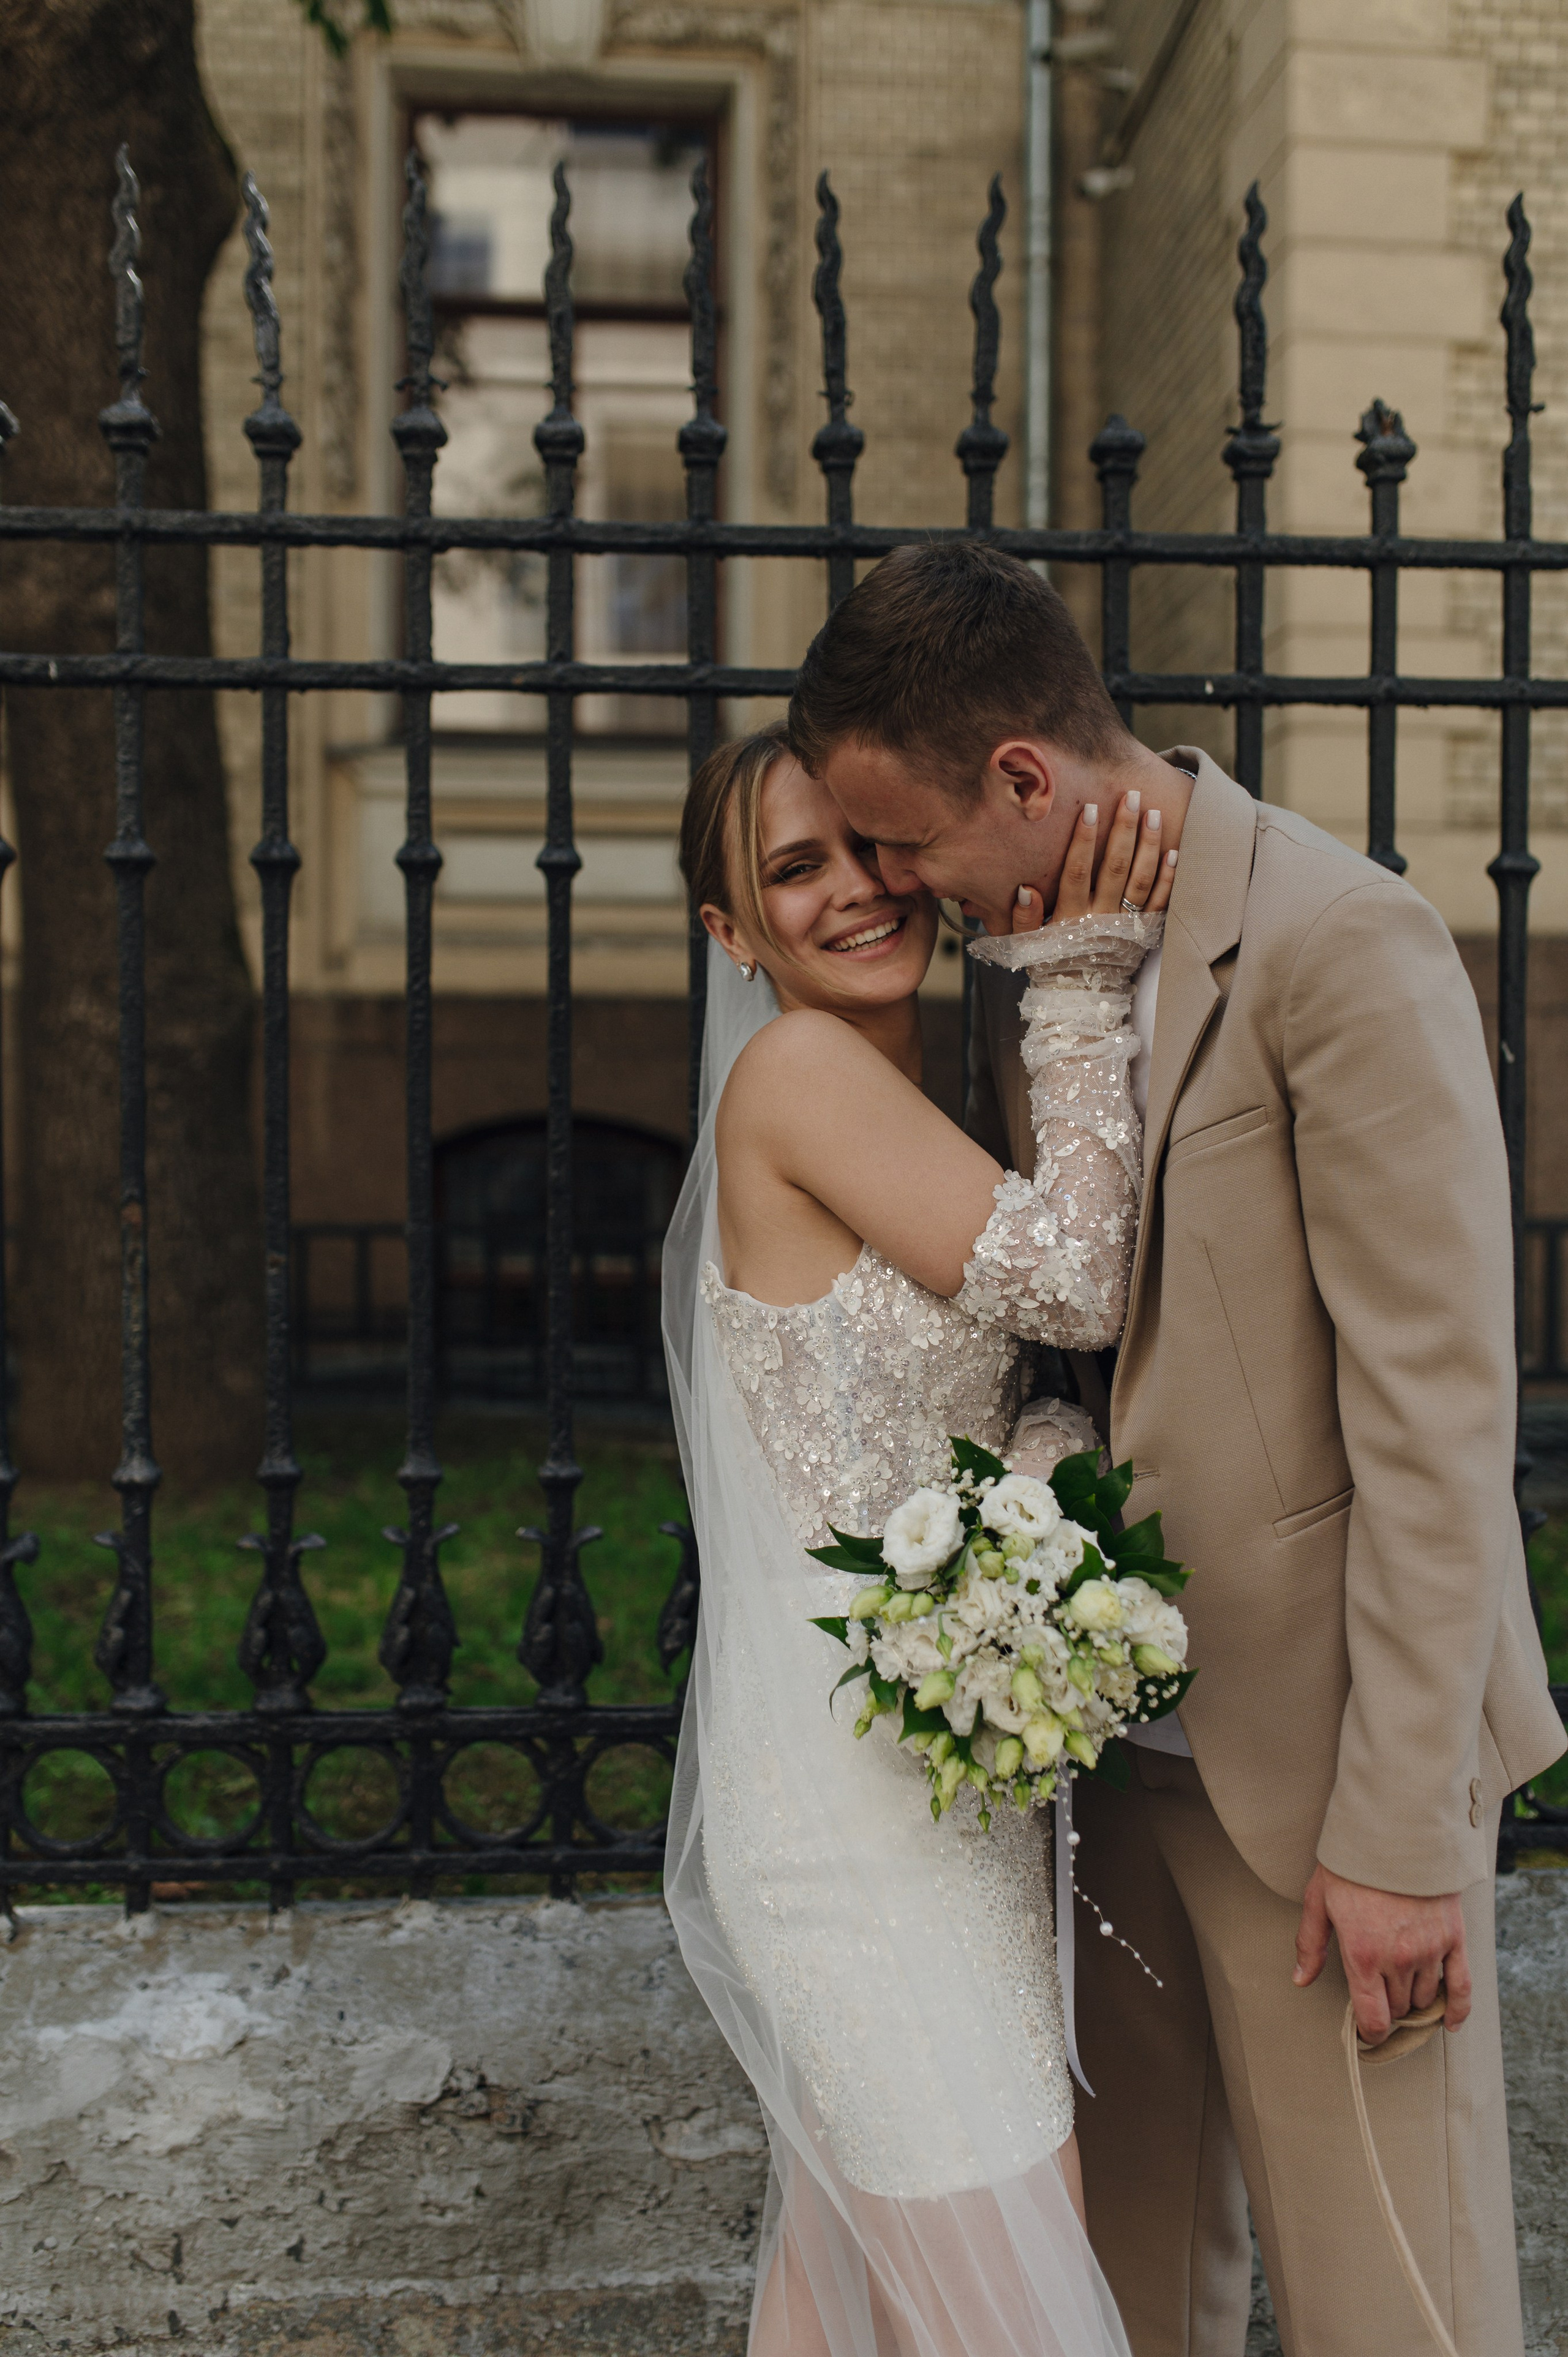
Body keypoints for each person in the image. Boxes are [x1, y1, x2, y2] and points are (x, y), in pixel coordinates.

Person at [786, 538, 1567, 2357]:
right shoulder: (1049, 958)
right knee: (1124, 2301)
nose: (896, 889)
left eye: (903, 844)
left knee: (1394, 2299)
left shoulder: (1339, 941)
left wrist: (1397, 1833)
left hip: (1324, 1790)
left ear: (1023, 779)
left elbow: (1440, 1418)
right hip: (1104, 1767)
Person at [662, 714, 1174, 2357]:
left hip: (926, 1784)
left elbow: (962, 1429)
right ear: (731, 932)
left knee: (860, 2305)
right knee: (1007, 2303)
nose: (858, 890)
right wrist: (1080, 979)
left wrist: (1035, 1472)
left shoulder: (878, 1090)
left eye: (868, 847)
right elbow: (1078, 1281)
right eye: (792, 870)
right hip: (852, 1827)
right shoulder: (802, 1074)